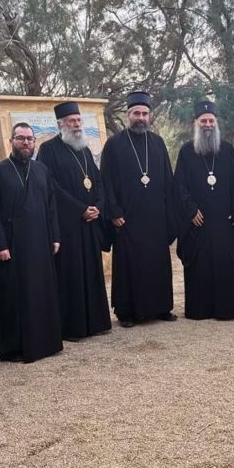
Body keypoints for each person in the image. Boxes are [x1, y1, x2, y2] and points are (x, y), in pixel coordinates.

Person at [0, 123, 64, 362]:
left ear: (34, 142)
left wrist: (55, 236)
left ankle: (46, 343)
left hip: (40, 242)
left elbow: (51, 205)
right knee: (15, 296)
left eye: (30, 138)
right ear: (11, 141)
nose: (26, 142)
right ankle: (15, 348)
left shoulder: (42, 170)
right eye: (20, 138)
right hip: (12, 245)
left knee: (42, 292)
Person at [101, 91, 178, 328]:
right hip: (128, 218)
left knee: (157, 263)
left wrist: (169, 214)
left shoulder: (157, 142)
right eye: (137, 113)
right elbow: (106, 181)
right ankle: (127, 312)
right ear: (128, 115)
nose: (141, 118)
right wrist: (114, 210)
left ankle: (161, 307)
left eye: (145, 113)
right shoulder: (114, 145)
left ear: (150, 116)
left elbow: (167, 179)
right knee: (129, 265)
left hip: (155, 218)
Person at [37, 101, 112, 340]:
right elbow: (51, 187)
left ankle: (96, 322)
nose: (77, 125)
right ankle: (73, 327)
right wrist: (80, 209)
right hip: (68, 225)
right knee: (71, 274)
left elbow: (97, 181)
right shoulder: (48, 150)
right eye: (72, 121)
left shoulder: (84, 149)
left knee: (92, 271)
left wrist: (98, 207)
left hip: (90, 224)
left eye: (79, 120)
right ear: (61, 124)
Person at [174, 100, 234, 320]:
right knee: (200, 264)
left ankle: (227, 309)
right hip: (198, 220)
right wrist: (190, 210)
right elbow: (179, 186)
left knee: (224, 261)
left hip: (223, 220)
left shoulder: (227, 150)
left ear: (216, 123)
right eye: (203, 121)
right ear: (195, 123)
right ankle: (200, 309)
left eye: (211, 121)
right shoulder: (186, 152)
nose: (207, 124)